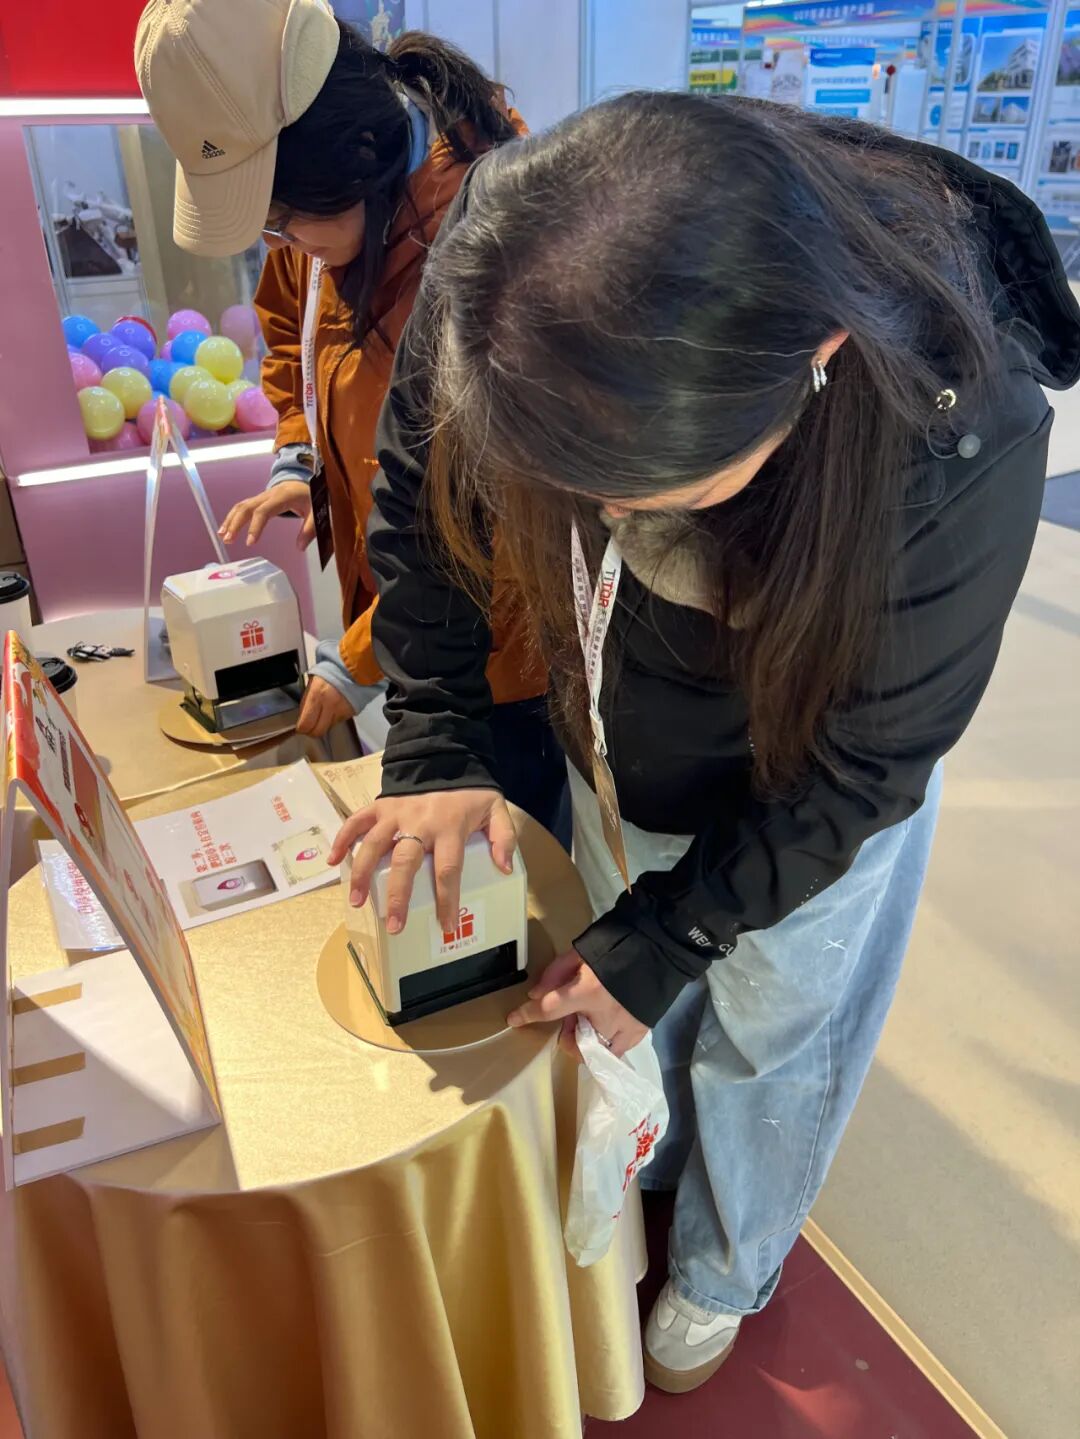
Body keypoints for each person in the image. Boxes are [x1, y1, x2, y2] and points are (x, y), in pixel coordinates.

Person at [328, 94, 1080, 1392]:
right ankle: (655, 1160)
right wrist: (438, 740)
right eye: (576, 492)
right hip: (622, 731)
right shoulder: (509, 267)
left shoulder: (959, 422)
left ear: (818, 355)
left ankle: (731, 1261)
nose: (607, 525)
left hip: (813, 790)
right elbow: (423, 495)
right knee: (626, 982)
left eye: (653, 495)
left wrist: (677, 933)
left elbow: (862, 766)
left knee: (774, 1024)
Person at [135, 0, 568, 842]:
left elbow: (497, 531)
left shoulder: (487, 261)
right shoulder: (325, 228)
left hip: (498, 662)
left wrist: (361, 658)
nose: (279, 243)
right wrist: (299, 458)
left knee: (506, 861)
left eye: (284, 219)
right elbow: (291, 339)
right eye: (267, 224)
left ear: (358, 157)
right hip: (401, 625)